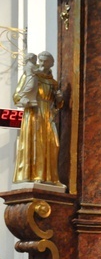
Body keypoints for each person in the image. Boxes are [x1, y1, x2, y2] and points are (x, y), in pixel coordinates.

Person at [13, 51, 64, 185]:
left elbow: (58, 105)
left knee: (53, 144)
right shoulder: (31, 76)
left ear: (51, 63)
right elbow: (17, 95)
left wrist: (59, 99)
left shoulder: (53, 82)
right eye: (40, 61)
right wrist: (23, 100)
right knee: (35, 143)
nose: (41, 64)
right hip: (34, 114)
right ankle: (33, 175)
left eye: (44, 61)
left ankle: (50, 177)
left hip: (47, 115)